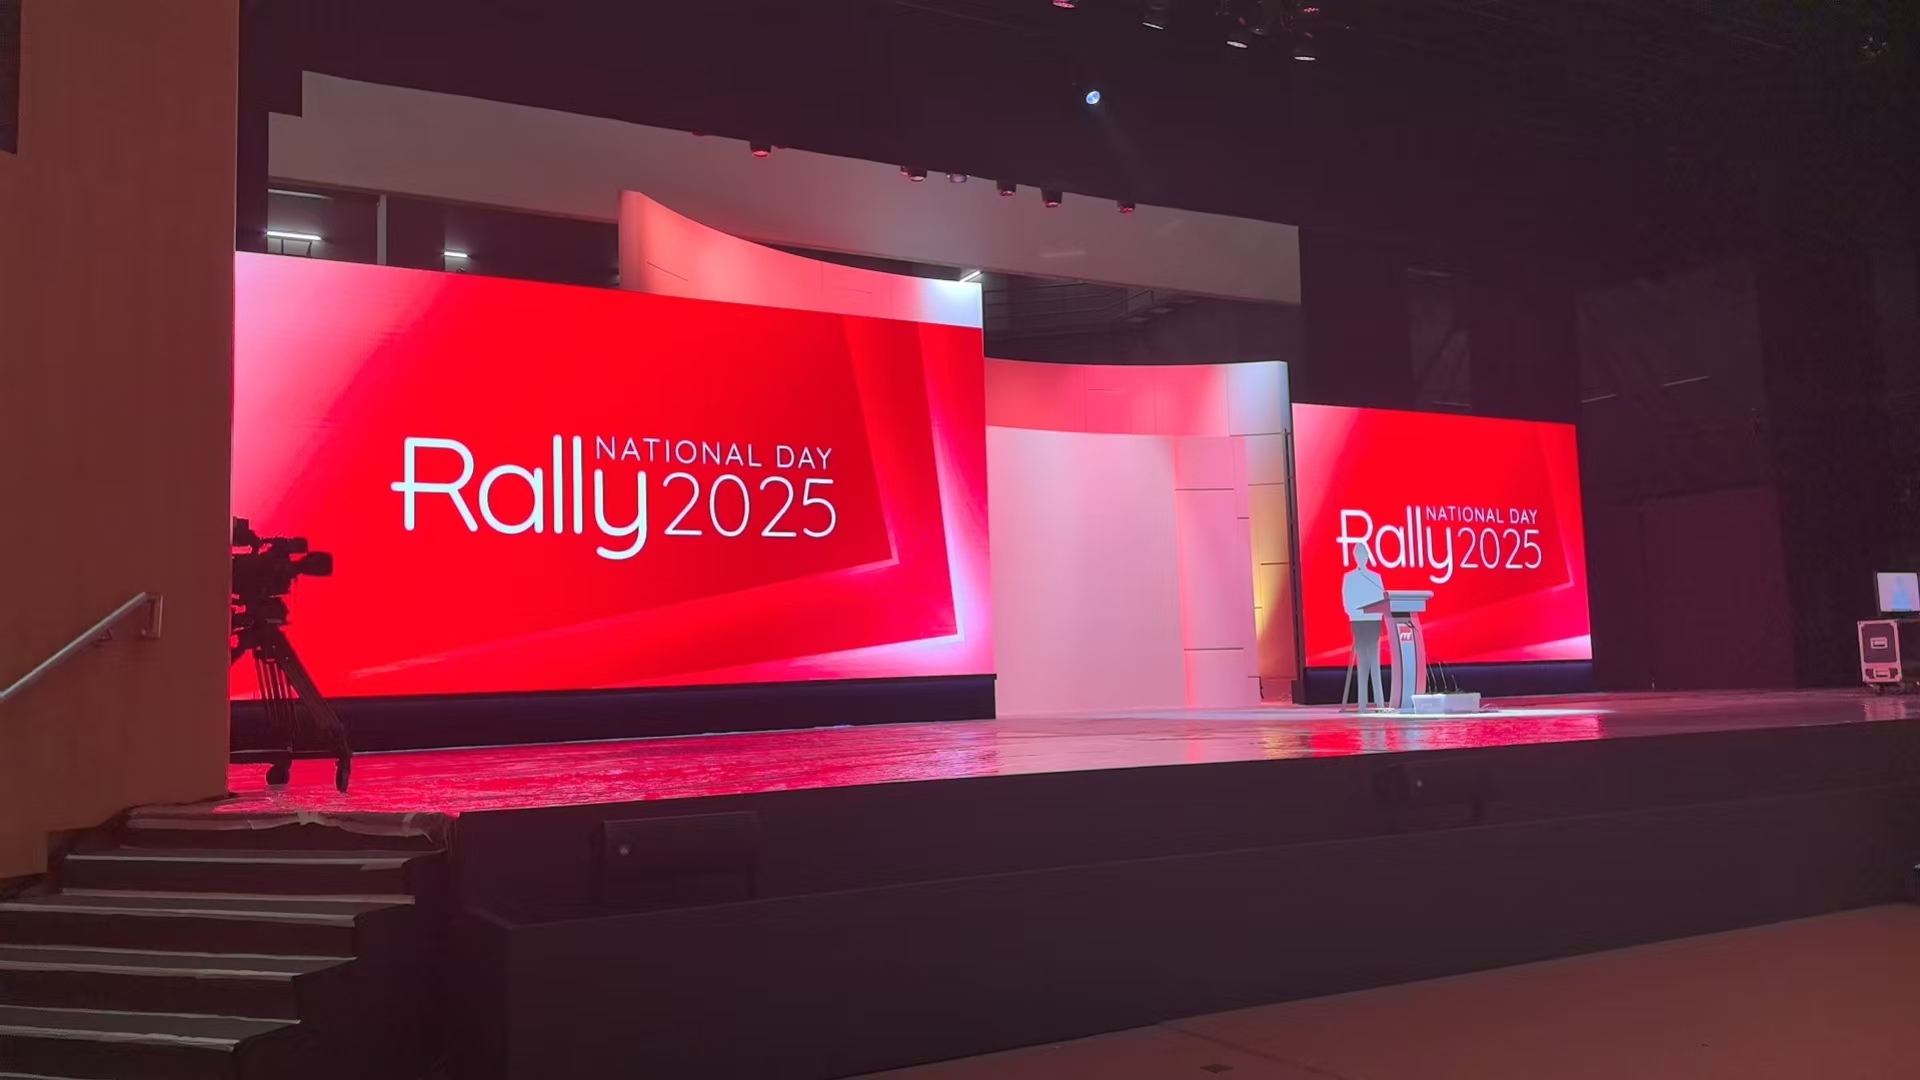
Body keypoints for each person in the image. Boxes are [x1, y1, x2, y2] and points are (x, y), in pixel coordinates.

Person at [1342, 541, 1388, 711]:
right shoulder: (1349, 577)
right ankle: (1362, 704)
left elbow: (1382, 599)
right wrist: (1356, 613)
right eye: (1358, 555)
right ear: (1355, 557)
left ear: (1367, 557)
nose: (1361, 558)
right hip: (1359, 624)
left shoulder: (1375, 578)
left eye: (1364, 555)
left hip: (1373, 624)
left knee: (1375, 664)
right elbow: (1347, 602)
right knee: (1362, 665)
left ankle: (1380, 703)